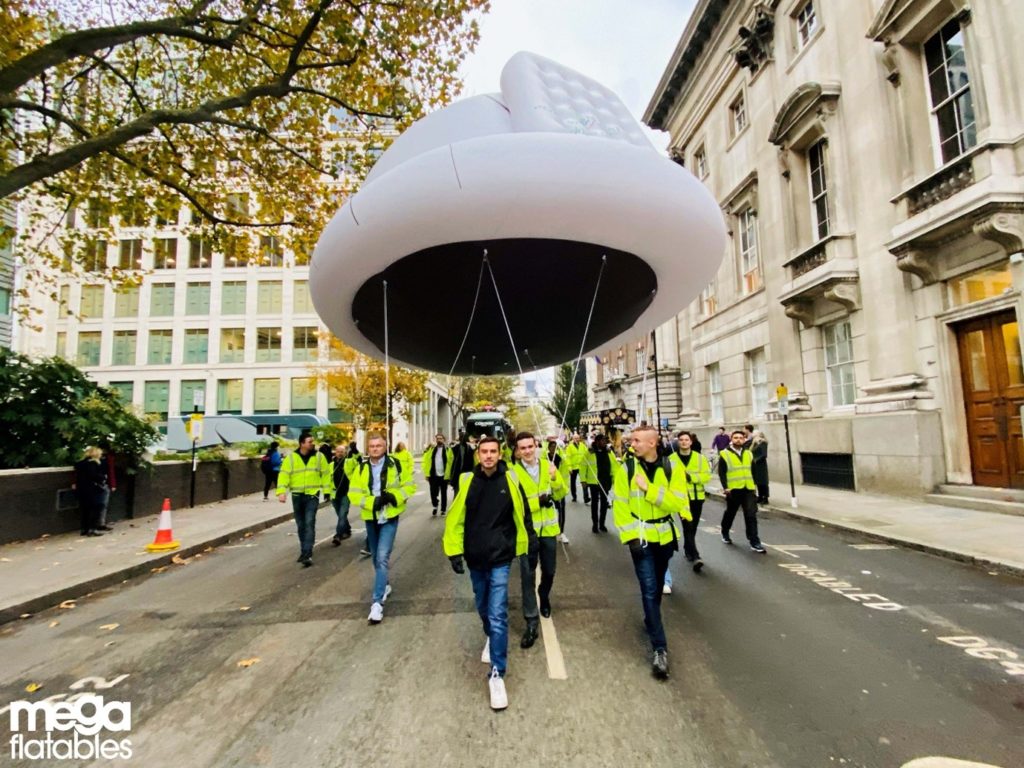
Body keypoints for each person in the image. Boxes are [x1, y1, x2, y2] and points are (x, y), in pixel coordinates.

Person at [443, 435, 532, 711]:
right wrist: (454, 552)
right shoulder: (467, 481)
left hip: (501, 558)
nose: (489, 456)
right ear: (478, 455)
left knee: (497, 613)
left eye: (494, 451)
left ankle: (497, 673)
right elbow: (456, 518)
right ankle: (491, 637)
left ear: (501, 454)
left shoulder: (512, 480)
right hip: (475, 557)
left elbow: (523, 513)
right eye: (484, 452)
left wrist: (528, 544)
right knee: (483, 606)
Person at [612, 425, 690, 679]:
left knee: (655, 588)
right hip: (641, 540)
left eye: (636, 440)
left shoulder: (673, 468)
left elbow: (677, 503)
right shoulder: (626, 469)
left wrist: (650, 490)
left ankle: (651, 619)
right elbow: (620, 505)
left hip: (665, 538)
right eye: (631, 440)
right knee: (648, 589)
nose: (631, 444)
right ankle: (660, 649)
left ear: (652, 443)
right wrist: (630, 537)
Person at [348, 432, 417, 623]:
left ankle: (377, 603)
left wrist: (393, 497)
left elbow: (409, 486)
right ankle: (384, 584)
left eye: (379, 446)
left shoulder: (396, 464)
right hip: (371, 517)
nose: (375, 449)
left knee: (381, 557)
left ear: (385, 447)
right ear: (367, 448)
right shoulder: (361, 468)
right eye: (372, 446)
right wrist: (373, 502)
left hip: (389, 516)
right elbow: (353, 493)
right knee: (376, 559)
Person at [512, 431, 567, 647]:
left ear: (536, 446)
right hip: (526, 533)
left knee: (550, 571)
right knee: (527, 576)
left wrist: (554, 479)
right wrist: (538, 502)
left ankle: (544, 595)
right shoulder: (513, 474)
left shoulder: (547, 466)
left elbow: (562, 493)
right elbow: (516, 505)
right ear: (517, 451)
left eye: (530, 446)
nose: (527, 451)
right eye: (522, 448)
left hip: (548, 531)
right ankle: (531, 620)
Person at [277, 433, 333, 566]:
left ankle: (307, 553)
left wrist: (327, 491)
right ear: (302, 443)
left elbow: (325, 474)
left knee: (309, 522)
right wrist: (281, 492)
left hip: (312, 495)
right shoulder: (291, 458)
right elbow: (284, 475)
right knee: (301, 525)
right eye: (309, 442)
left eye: (313, 442)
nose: (312, 444)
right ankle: (304, 550)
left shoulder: (319, 457)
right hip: (297, 495)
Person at [669, 431, 713, 576]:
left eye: (686, 440)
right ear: (678, 442)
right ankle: (695, 556)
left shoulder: (700, 458)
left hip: (697, 497)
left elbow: (707, 475)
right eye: (681, 440)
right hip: (681, 499)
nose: (683, 442)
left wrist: (691, 477)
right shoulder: (671, 459)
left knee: (693, 527)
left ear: (691, 442)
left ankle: (688, 548)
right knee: (687, 526)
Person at [719, 429, 766, 554]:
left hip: (748, 489)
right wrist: (725, 487)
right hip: (733, 489)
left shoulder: (749, 454)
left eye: (741, 437)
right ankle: (725, 531)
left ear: (744, 439)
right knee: (731, 512)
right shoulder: (724, 454)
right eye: (735, 438)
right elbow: (722, 472)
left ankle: (754, 541)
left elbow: (753, 470)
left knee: (751, 515)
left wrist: (754, 485)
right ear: (731, 439)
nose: (738, 439)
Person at [582, 432, 619, 533]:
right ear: (597, 442)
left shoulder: (609, 452)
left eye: (605, 441)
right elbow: (583, 466)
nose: (604, 443)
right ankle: (595, 524)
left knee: (604, 503)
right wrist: (583, 480)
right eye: (602, 441)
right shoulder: (589, 452)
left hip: (606, 481)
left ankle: (602, 524)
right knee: (594, 503)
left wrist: (615, 478)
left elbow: (614, 465)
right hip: (594, 481)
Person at [73, 446, 108, 536]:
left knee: (85, 510)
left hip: (81, 489)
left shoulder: (80, 463)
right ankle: (93, 529)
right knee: (96, 508)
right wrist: (103, 477)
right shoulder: (93, 463)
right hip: (92, 489)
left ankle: (84, 529)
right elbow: (94, 475)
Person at [545, 436, 570, 543]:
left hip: (559, 488)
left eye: (555, 447)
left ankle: (561, 532)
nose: (553, 449)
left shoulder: (561, 459)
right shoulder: (544, 459)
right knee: (548, 510)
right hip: (547, 489)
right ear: (548, 448)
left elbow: (565, 473)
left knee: (561, 511)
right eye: (551, 447)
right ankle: (550, 531)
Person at [422, 433, 453, 516]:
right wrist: (427, 474)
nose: (439, 440)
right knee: (433, 492)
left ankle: (443, 510)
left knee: (444, 493)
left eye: (441, 438)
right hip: (433, 475)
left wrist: (450, 475)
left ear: (443, 440)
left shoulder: (448, 449)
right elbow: (427, 462)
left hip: (444, 475)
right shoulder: (432, 449)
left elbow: (451, 462)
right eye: (437, 438)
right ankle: (435, 505)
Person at [331, 443, 352, 545]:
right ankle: (347, 529)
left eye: (342, 452)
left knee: (342, 514)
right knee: (340, 515)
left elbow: (356, 461)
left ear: (345, 453)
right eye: (338, 451)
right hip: (334, 494)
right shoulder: (330, 465)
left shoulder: (348, 463)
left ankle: (338, 535)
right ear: (335, 452)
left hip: (346, 493)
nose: (340, 454)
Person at [564, 433, 588, 504]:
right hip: (573, 467)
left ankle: (586, 497)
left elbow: (586, 454)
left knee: (584, 481)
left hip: (582, 467)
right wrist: (569, 467)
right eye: (575, 438)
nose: (577, 439)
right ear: (573, 439)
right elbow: (568, 458)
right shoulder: (569, 447)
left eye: (578, 438)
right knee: (573, 483)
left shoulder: (583, 446)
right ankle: (574, 496)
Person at [751, 430, 769, 505]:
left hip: (761, 464)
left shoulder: (763, 443)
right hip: (755, 465)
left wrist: (756, 460)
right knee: (758, 481)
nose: (753, 435)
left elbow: (764, 454)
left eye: (754, 434)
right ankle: (760, 496)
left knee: (763, 481)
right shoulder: (754, 443)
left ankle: (765, 497)